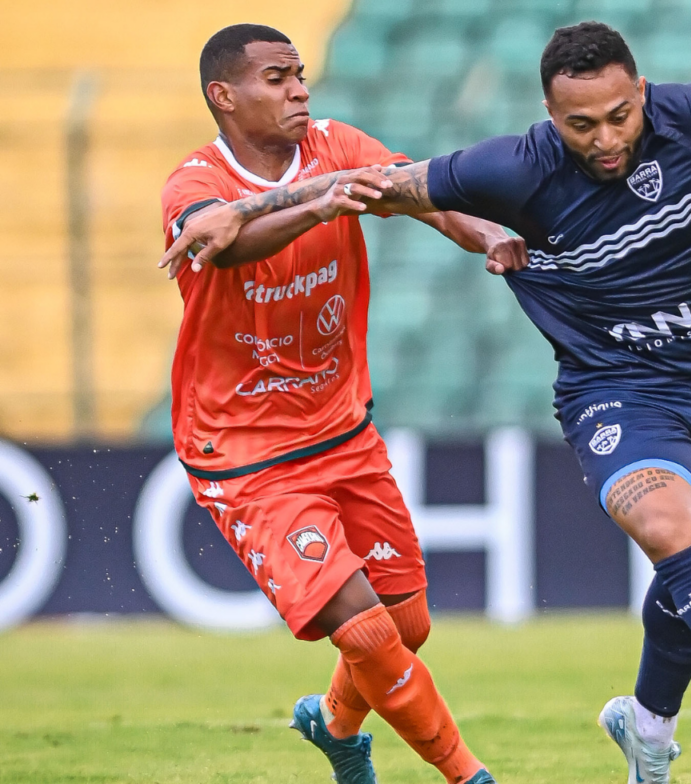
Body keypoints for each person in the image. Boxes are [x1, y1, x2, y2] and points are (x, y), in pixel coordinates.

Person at [164, 21, 691, 784]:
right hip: (608, 388)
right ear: (550, 117)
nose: (607, 139)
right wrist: (250, 208)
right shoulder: (513, 167)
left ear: (642, 93)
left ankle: (647, 726)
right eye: (583, 125)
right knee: (669, 535)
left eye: (620, 116)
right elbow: (380, 190)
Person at [159, 23, 528, 784]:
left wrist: (486, 231)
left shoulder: (337, 145)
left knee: (406, 623)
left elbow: (421, 196)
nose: (299, 88)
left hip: (341, 429)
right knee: (363, 630)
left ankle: (334, 727)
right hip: (246, 452)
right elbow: (220, 243)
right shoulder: (195, 181)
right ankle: (468, 776)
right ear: (223, 96)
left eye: (299, 73)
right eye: (275, 77)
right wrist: (322, 205)